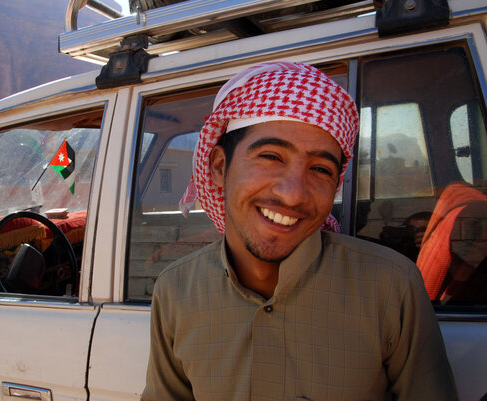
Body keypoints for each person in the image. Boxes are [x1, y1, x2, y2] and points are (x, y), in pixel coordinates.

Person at [141, 62, 458, 401]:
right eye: (271, 156)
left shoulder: (392, 287)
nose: (293, 194)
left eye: (320, 169)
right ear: (219, 167)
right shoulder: (176, 290)